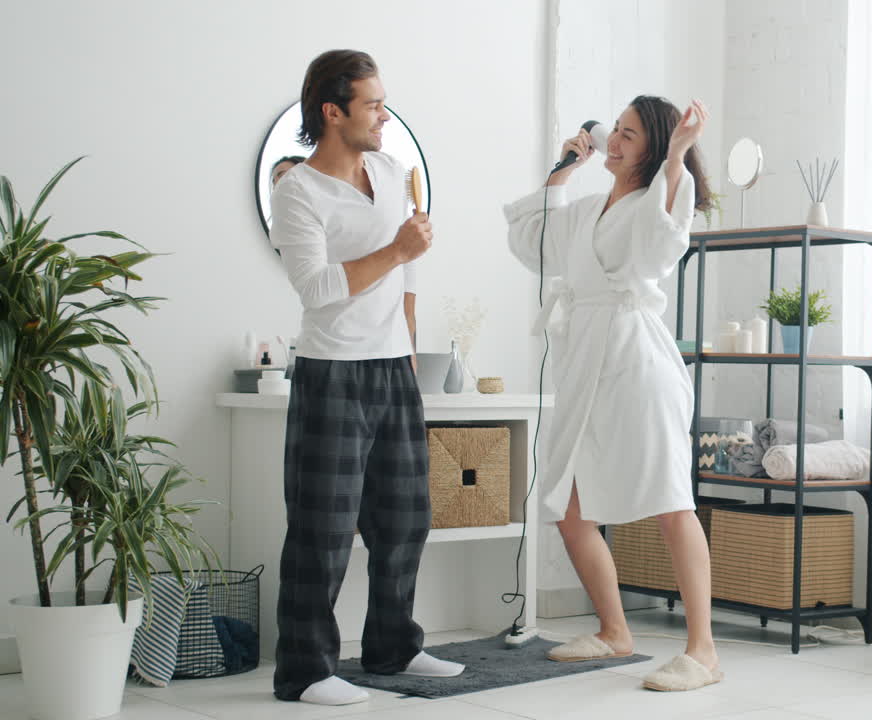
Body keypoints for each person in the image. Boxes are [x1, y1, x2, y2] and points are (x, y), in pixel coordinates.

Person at [504, 96, 721, 691]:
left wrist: (677, 156)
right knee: (569, 505)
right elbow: (532, 245)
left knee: (670, 499)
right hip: (584, 362)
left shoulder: (657, 199)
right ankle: (614, 632)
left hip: (636, 360)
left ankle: (703, 652)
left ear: (651, 146)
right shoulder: (589, 207)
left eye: (629, 134)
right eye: (613, 131)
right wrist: (562, 173)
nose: (615, 141)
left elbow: (661, 240)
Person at [269, 49, 462, 706]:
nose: (385, 114)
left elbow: (411, 271)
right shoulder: (297, 190)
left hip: (392, 369)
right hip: (332, 374)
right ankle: (305, 670)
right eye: (373, 104)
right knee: (322, 529)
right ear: (333, 111)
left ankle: (393, 647)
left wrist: (409, 344)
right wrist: (397, 249)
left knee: (405, 519)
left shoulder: (390, 169)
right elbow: (318, 289)